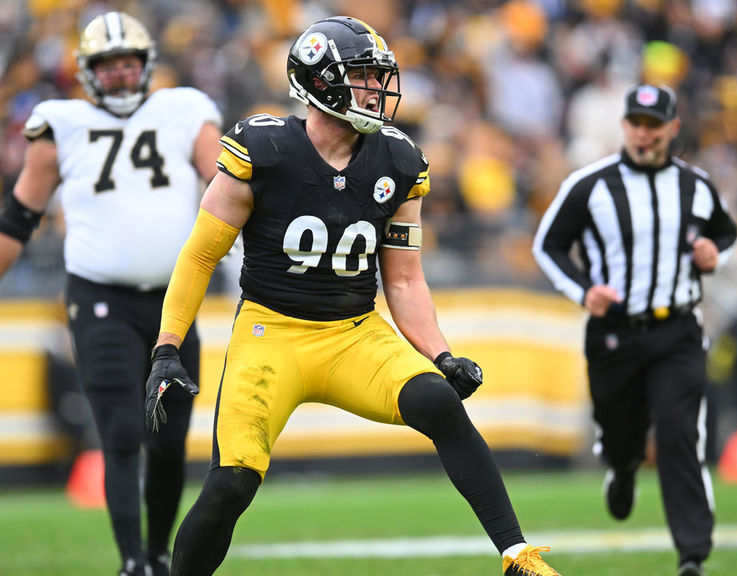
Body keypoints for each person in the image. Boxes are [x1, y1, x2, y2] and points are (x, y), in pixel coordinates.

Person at [144, 16, 562, 576]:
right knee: (230, 484)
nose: (376, 89)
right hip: (273, 332)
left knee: (438, 400)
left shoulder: (397, 160)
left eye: (376, 77)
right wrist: (167, 347)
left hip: (354, 332)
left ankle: (517, 556)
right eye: (362, 76)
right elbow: (199, 256)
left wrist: (440, 354)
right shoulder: (262, 149)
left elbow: (406, 279)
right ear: (318, 83)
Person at [0, 11, 223, 576]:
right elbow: (18, 219)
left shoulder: (185, 111)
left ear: (146, 66)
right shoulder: (61, 125)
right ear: (88, 72)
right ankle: (132, 562)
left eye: (129, 63)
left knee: (170, 440)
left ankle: (155, 553)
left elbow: (228, 190)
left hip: (175, 301)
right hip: (99, 297)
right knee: (122, 429)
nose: (121, 75)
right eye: (109, 65)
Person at [532, 84, 737, 576]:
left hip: (678, 330)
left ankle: (692, 555)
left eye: (653, 125)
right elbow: (549, 245)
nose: (644, 134)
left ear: (672, 128)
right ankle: (622, 469)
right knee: (622, 435)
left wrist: (716, 253)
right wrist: (584, 290)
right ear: (624, 126)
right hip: (615, 334)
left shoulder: (695, 185)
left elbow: (725, 232)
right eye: (636, 124)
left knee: (678, 433)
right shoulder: (590, 185)